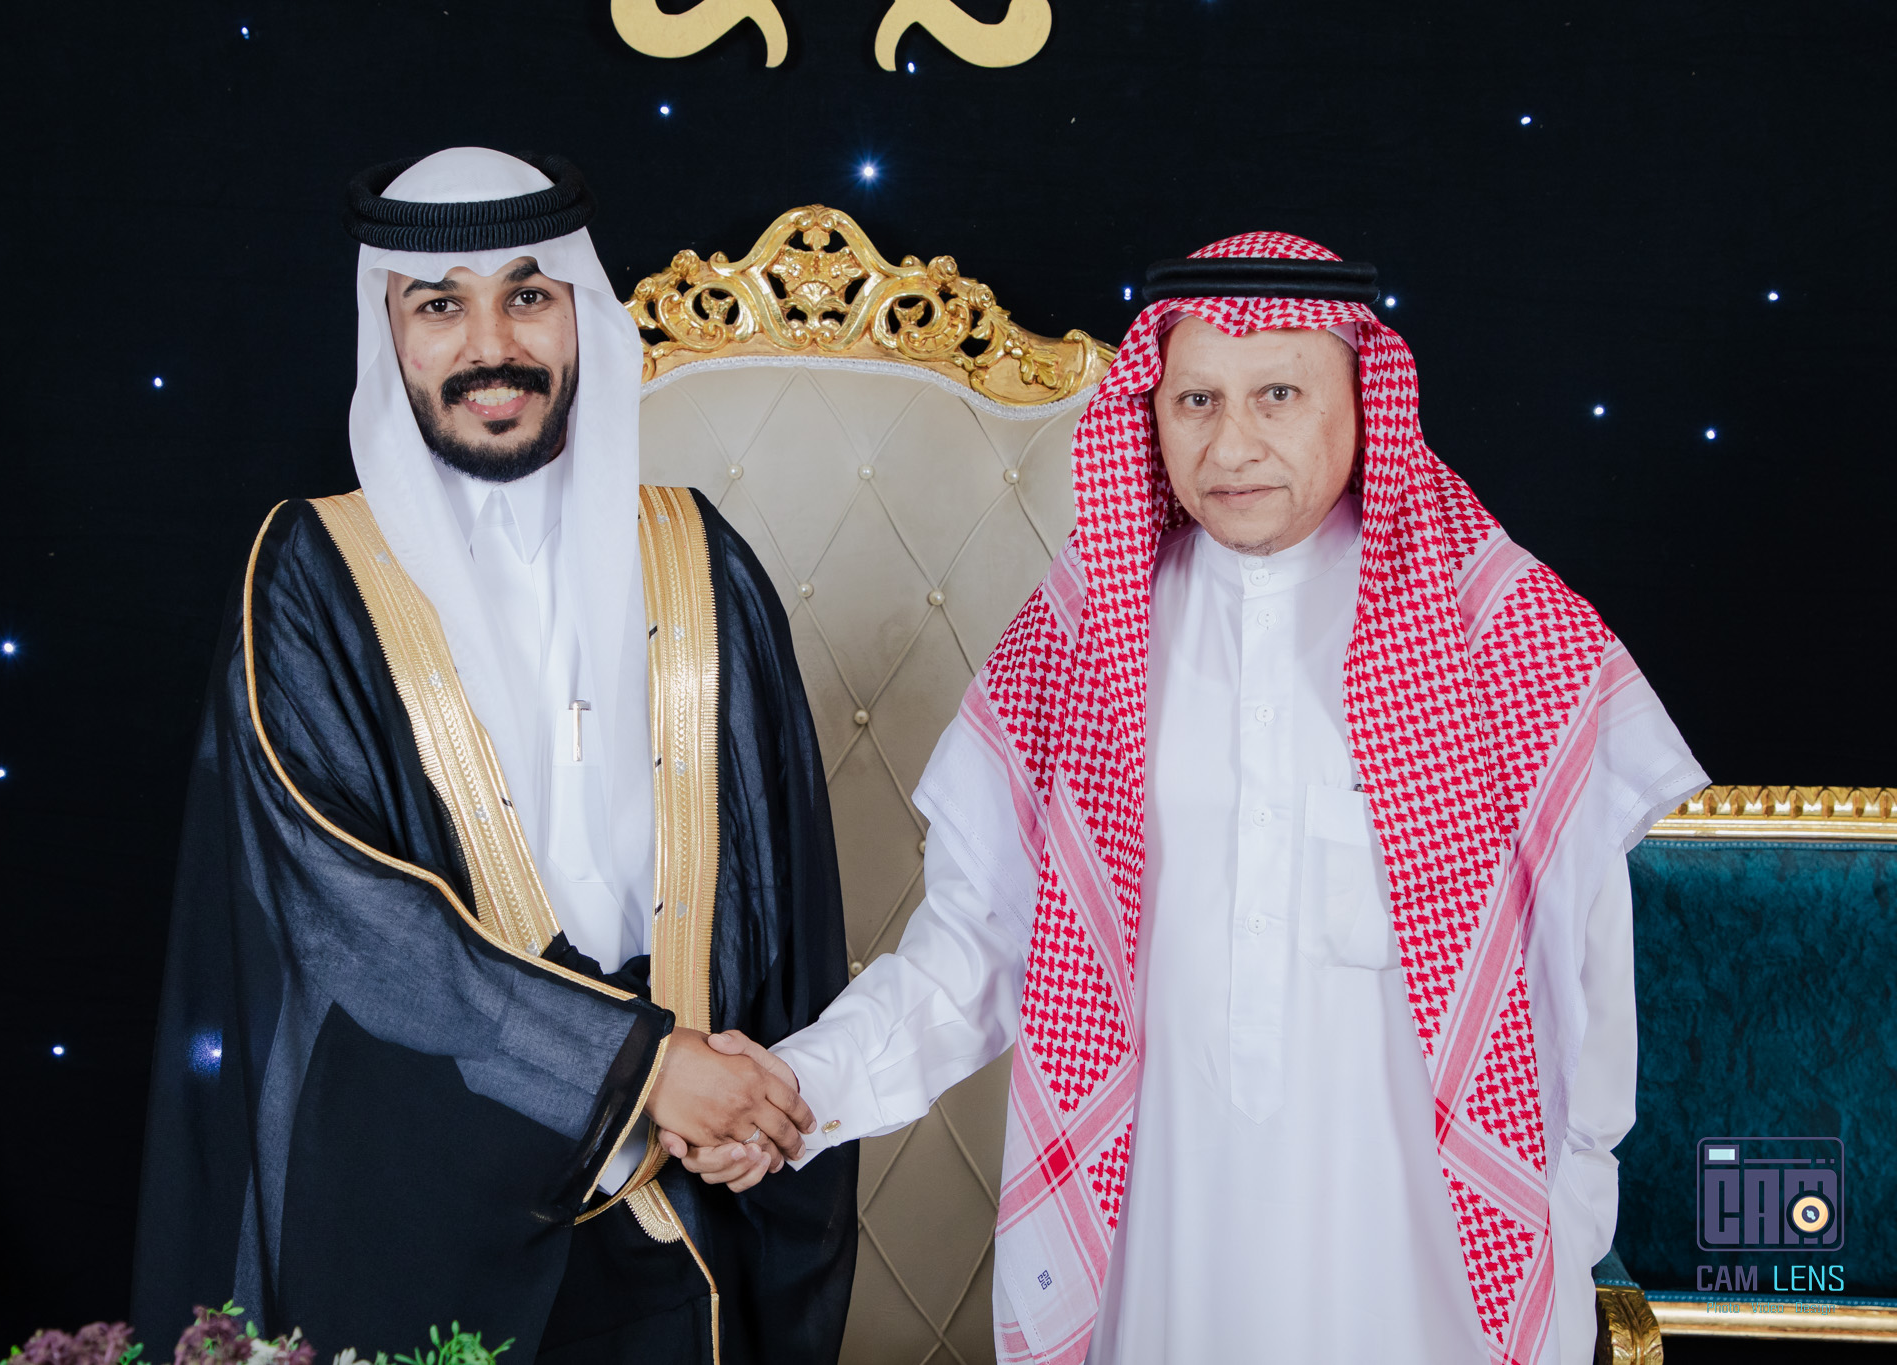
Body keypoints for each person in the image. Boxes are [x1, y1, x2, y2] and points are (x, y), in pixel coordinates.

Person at [669, 233, 1706, 1363]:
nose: (1232, 443)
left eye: (1277, 395)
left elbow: (1585, 976)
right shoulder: (1085, 637)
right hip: (1166, 1232)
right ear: (1150, 414)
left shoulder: (1499, 629)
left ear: (1364, 402)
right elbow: (977, 945)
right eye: (1196, 400)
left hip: (1423, 1260)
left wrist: (1570, 1220)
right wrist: (799, 1086)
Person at [130, 147, 857, 1365]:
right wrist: (636, 1071)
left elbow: (777, 887)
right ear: (389, 333)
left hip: (681, 1194)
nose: (491, 346)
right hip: (420, 1199)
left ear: (578, 310)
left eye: (526, 295)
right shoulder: (311, 575)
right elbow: (346, 919)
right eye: (439, 305)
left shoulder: (699, 557)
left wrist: (747, 1107)